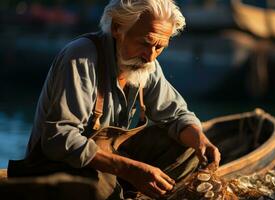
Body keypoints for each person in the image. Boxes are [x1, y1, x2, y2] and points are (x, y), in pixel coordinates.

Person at [8, 0, 221, 199]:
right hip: (57, 168)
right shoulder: (81, 57)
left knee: (190, 149)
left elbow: (176, 116)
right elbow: (60, 138)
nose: (151, 56)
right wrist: (129, 169)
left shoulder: (147, 64)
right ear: (117, 28)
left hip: (111, 163)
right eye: (145, 43)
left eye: (160, 47)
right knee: (98, 184)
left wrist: (201, 140)